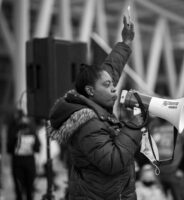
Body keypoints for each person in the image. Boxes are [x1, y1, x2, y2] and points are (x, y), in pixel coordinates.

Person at [47, 17, 146, 200]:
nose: (114, 87)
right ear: (91, 91)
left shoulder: (95, 102)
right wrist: (134, 126)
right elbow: (112, 161)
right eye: (108, 85)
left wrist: (125, 43)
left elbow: (110, 69)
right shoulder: (87, 122)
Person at [7, 109, 41, 200]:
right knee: (26, 190)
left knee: (24, 190)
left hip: (21, 162)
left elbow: (9, 148)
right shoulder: (29, 128)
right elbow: (37, 147)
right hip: (25, 162)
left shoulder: (15, 129)